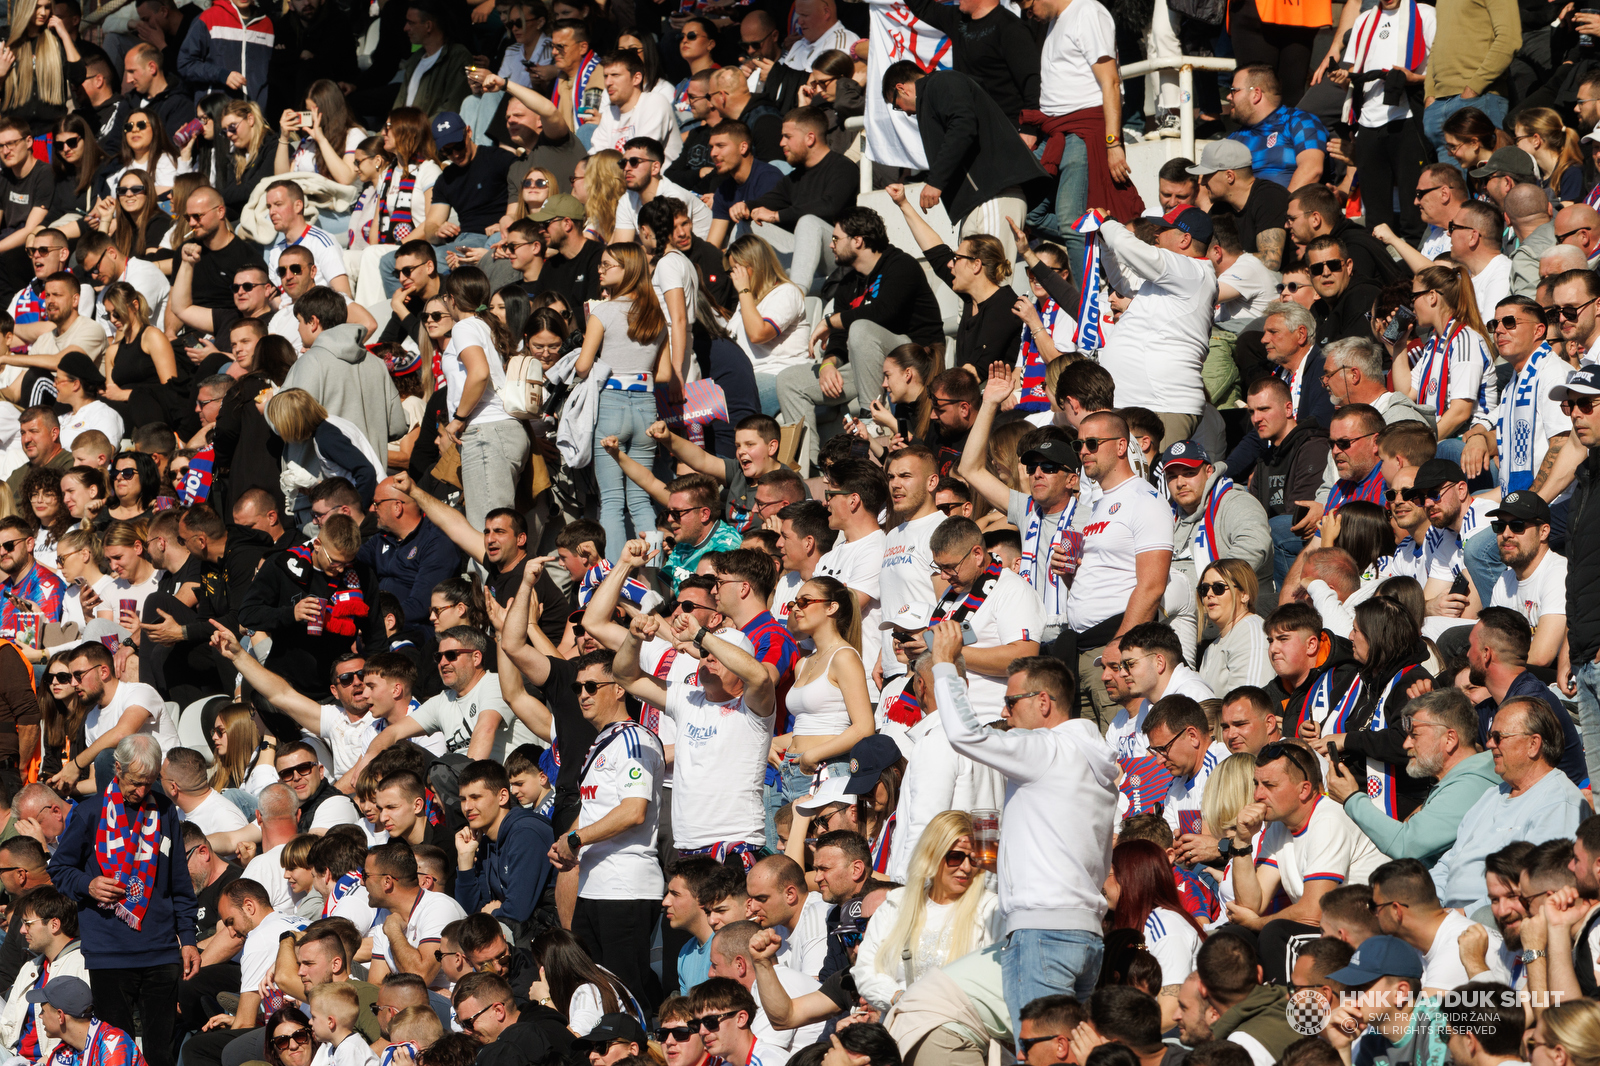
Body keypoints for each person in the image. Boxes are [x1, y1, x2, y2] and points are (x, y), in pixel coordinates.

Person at [929, 621, 1116, 1042]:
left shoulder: (1048, 750)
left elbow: (965, 735)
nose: (1004, 713)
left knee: (1040, 1053)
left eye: (1012, 702)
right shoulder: (1093, 759)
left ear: (1044, 702)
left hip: (1043, 932)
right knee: (1072, 1052)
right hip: (1085, 934)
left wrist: (942, 664)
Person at [45, 735, 198, 1066]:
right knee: (116, 1052)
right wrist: (89, 884)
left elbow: (179, 881)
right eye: (135, 782)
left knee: (161, 1052)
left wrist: (187, 938)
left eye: (149, 782)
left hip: (160, 950)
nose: (141, 792)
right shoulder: (89, 813)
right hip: (109, 952)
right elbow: (59, 868)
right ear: (117, 769)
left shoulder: (166, 810)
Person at [774, 209, 943, 475]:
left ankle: (870, 419)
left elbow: (883, 312)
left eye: (836, 238)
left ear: (858, 240)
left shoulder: (901, 265)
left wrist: (831, 321)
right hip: (870, 365)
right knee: (789, 381)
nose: (831, 244)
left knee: (862, 328)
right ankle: (807, 469)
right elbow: (841, 338)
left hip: (915, 359)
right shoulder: (848, 282)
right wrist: (828, 363)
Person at [546, 649, 665, 1012]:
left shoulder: (634, 739)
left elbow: (633, 811)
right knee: (601, 993)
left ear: (618, 689)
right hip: (594, 886)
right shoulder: (600, 743)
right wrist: (566, 840)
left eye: (592, 686)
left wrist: (576, 839)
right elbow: (594, 809)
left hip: (625, 885)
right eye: (578, 687)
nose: (583, 694)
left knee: (628, 994)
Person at [1224, 741, 1385, 982]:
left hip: (1361, 934)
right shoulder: (1279, 826)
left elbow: (1313, 911)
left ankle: (1286, 1016)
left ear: (1304, 789)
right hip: (1326, 928)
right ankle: (1248, 1015)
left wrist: (1257, 923)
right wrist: (1242, 840)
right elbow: (1251, 905)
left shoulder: (1328, 819)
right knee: (1233, 937)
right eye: (1256, 784)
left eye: (1269, 785)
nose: (1258, 794)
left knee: (1276, 934)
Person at [1062, 410, 1174, 725]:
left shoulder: (1145, 500)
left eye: (1093, 443)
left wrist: (1119, 648)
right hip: (1083, 648)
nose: (1083, 451)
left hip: (1114, 646)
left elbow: (1152, 585)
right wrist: (1070, 574)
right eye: (1079, 444)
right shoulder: (1096, 505)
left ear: (1122, 446)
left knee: (1120, 758)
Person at [1427, 697, 1587, 911]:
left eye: (1498, 737)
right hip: (1449, 916)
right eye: (1489, 736)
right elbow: (1449, 863)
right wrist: (1425, 904)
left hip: (1494, 922)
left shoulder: (1558, 802)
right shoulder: (1492, 795)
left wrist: (1463, 914)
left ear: (1533, 744)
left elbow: (1535, 886)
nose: (1490, 744)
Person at [879, 64, 1045, 266]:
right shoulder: (938, 89)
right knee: (971, 286)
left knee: (992, 284)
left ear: (902, 88)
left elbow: (963, 125)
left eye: (897, 105)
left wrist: (936, 181)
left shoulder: (940, 82)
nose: (904, 112)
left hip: (991, 194)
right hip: (980, 200)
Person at [1330, 687, 1499, 866]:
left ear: (1450, 740)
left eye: (1414, 735)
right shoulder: (1466, 778)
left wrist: (1352, 798)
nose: (1406, 744)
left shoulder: (1468, 786)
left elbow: (1405, 845)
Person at [852, 809, 999, 1011]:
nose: (966, 867)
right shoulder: (897, 905)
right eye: (955, 857)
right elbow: (866, 969)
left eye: (973, 859)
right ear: (932, 855)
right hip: (904, 1028)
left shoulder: (990, 909)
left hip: (963, 1030)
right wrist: (900, 999)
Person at [1369, 858, 1511, 994]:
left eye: (1374, 906)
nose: (1373, 914)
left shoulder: (1456, 950)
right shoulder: (1422, 943)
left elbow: (1419, 1018)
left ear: (1396, 910)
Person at [1223, 66, 1328, 189]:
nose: (1228, 97)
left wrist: (1283, 207)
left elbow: (1312, 170)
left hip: (1291, 206)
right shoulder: (1234, 139)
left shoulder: (1299, 121)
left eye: (1234, 90)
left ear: (1256, 94)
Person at [1189, 140, 1287, 270]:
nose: (1203, 182)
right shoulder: (1221, 208)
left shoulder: (1269, 197)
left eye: (1207, 175)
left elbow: (1270, 261)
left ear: (1229, 176)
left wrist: (1226, 260)